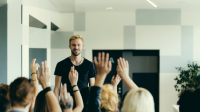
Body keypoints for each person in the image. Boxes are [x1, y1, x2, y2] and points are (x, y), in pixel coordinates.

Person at [53, 35, 96, 107]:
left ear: (83, 46)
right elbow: (57, 88)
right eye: (74, 45)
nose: (76, 47)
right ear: (70, 46)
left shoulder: (90, 65)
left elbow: (92, 88)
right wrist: (55, 106)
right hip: (66, 103)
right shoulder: (61, 64)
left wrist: (93, 106)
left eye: (79, 45)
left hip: (85, 105)